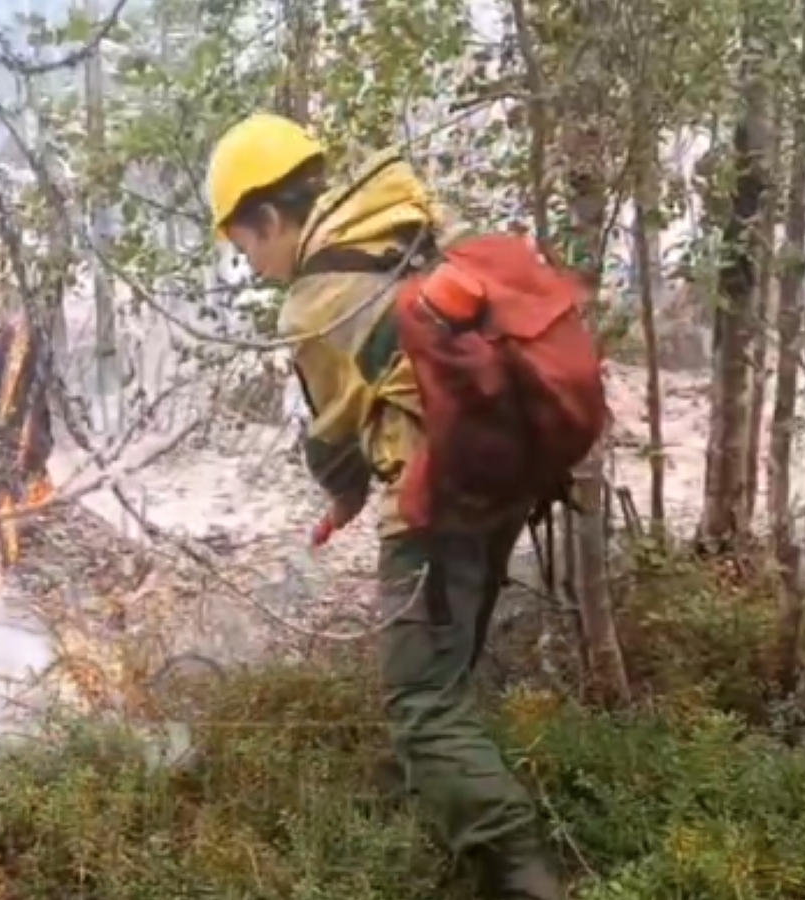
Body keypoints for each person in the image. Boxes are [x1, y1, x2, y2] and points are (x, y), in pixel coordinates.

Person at [205, 112, 566, 900]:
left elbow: (336, 431)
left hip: (436, 503)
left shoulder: (316, 300)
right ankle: (448, 844)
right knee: (445, 667)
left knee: (421, 707)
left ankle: (523, 877)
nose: (252, 263)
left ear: (268, 218)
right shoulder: (407, 226)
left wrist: (340, 494)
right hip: (508, 477)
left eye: (245, 243)